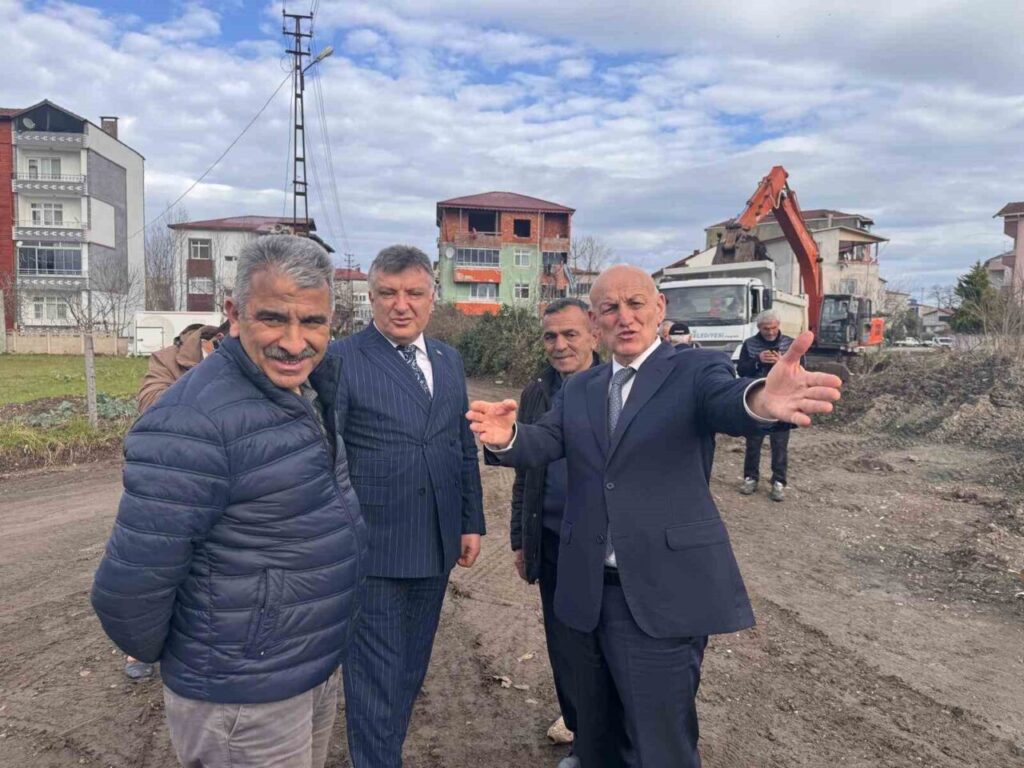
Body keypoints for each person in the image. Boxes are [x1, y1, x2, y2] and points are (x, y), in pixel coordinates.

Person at [467, 265, 841, 768]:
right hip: (586, 592)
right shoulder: (581, 389)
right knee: (595, 736)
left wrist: (760, 400)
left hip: (659, 595)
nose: (624, 317)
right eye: (610, 308)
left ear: (659, 309)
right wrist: (508, 437)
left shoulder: (695, 370)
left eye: (635, 304)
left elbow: (728, 401)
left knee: (659, 743)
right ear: (596, 322)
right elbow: (544, 441)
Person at [91, 235, 366, 768]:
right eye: (273, 319)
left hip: (303, 669)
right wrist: (208, 661)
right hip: (241, 698)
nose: (294, 342)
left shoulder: (310, 391)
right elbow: (128, 590)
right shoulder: (192, 420)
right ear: (235, 315)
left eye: (312, 322)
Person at [333, 245, 485, 768]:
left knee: (408, 671)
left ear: (431, 297)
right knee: (374, 677)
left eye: (414, 293)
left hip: (436, 544)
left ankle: (382, 753)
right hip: (372, 548)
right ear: (371, 297)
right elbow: (328, 456)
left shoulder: (448, 359)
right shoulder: (342, 360)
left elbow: (460, 446)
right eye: (388, 293)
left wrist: (470, 521)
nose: (402, 305)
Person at [512, 297, 599, 768]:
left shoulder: (616, 386)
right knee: (562, 643)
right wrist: (519, 539)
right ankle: (580, 730)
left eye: (570, 334)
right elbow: (524, 472)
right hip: (548, 538)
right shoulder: (537, 391)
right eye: (550, 336)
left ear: (594, 335)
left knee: (600, 645)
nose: (560, 345)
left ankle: (603, 738)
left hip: (599, 545)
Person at [120, 319, 229, 682]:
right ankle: (139, 646)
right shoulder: (168, 359)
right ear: (216, 339)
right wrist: (212, 377)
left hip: (219, 475)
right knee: (155, 564)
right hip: (167, 476)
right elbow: (151, 403)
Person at [736, 309, 803, 502]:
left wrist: (783, 363)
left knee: (780, 444)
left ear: (779, 325)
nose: (771, 332)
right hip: (757, 400)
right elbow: (741, 370)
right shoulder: (749, 344)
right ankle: (750, 478)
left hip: (783, 400)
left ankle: (779, 482)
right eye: (766, 328)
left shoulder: (790, 344)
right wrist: (757, 360)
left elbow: (801, 371)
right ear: (759, 327)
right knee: (753, 442)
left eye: (774, 327)